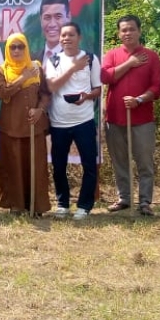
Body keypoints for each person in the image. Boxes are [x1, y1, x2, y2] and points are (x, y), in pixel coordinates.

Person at [100, 15, 160, 216]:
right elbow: (105, 76)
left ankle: (145, 202)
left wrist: (139, 99)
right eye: (124, 30)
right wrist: (130, 63)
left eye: (132, 29)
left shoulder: (151, 56)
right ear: (119, 33)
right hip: (114, 119)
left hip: (142, 120)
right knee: (119, 161)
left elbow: (157, 87)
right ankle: (124, 198)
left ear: (139, 31)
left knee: (144, 162)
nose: (128, 33)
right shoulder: (112, 55)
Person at [46, 22, 102, 220]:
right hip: (59, 122)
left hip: (84, 121)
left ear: (79, 37)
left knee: (89, 164)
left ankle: (84, 206)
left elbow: (98, 89)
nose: (66, 39)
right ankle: (62, 204)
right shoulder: (52, 60)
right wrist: (73, 69)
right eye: (63, 35)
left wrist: (86, 97)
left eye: (70, 35)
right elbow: (52, 86)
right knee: (59, 165)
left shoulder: (90, 59)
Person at [0, 33, 51, 216]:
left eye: (21, 46)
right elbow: (2, 93)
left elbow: (45, 94)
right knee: (13, 167)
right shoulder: (2, 70)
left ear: (26, 48)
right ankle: (16, 205)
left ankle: (37, 206)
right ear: (7, 50)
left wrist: (40, 110)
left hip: (34, 126)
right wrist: (22, 78)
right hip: (11, 127)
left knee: (36, 167)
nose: (17, 50)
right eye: (13, 47)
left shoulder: (36, 68)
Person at [32, 0, 71, 68]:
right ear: (41, 19)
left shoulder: (78, 60)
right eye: (47, 17)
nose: (52, 24)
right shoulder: (31, 60)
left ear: (68, 17)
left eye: (58, 17)